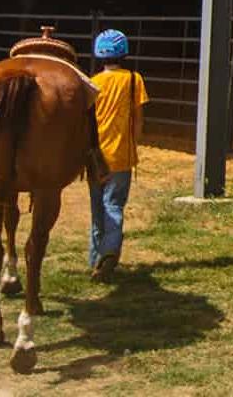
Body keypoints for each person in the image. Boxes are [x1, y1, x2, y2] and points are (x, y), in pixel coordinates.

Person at [87, 28, 148, 280]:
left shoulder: (92, 83)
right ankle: (110, 251)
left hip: (95, 157)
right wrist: (135, 143)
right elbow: (138, 119)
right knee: (113, 205)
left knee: (96, 209)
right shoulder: (134, 80)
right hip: (122, 155)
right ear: (124, 53)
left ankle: (95, 259)